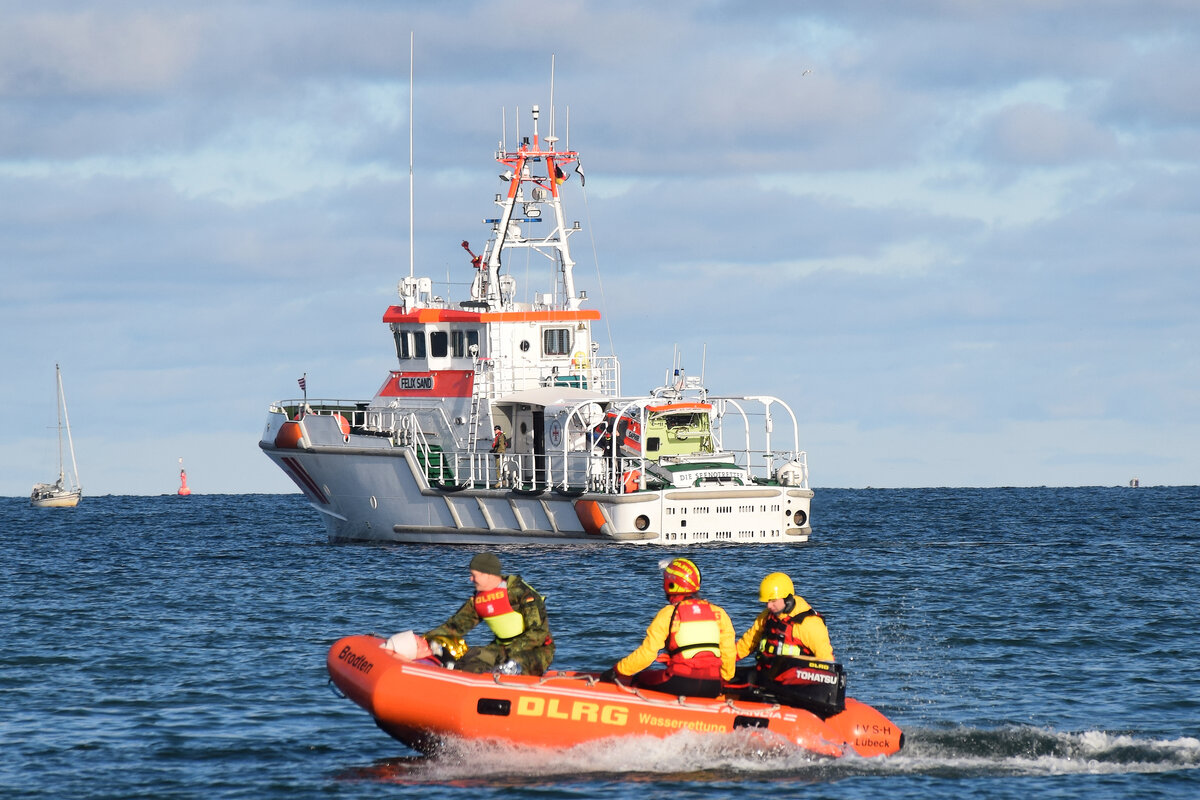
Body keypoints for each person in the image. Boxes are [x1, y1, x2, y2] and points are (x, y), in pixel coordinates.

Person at [601, 558, 736, 698]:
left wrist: (616, 671)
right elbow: (729, 654)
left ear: (670, 584)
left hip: (681, 682)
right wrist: (724, 680)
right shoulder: (719, 613)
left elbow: (646, 655)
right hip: (712, 686)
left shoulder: (668, 613)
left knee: (639, 679)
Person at [424, 552, 554, 676]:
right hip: (501, 648)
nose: (471, 579)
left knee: (510, 667)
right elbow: (454, 627)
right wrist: (424, 639)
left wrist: (508, 652)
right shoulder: (479, 600)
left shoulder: (522, 593)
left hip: (536, 651)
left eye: (474, 575)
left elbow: (538, 633)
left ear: (488, 574)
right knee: (469, 661)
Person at [734, 571, 844, 715]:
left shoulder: (808, 624)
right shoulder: (766, 617)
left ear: (787, 599)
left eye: (773, 601)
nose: (769, 606)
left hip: (793, 686)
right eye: (767, 601)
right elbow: (746, 644)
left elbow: (826, 660)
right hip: (766, 676)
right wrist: (722, 661)